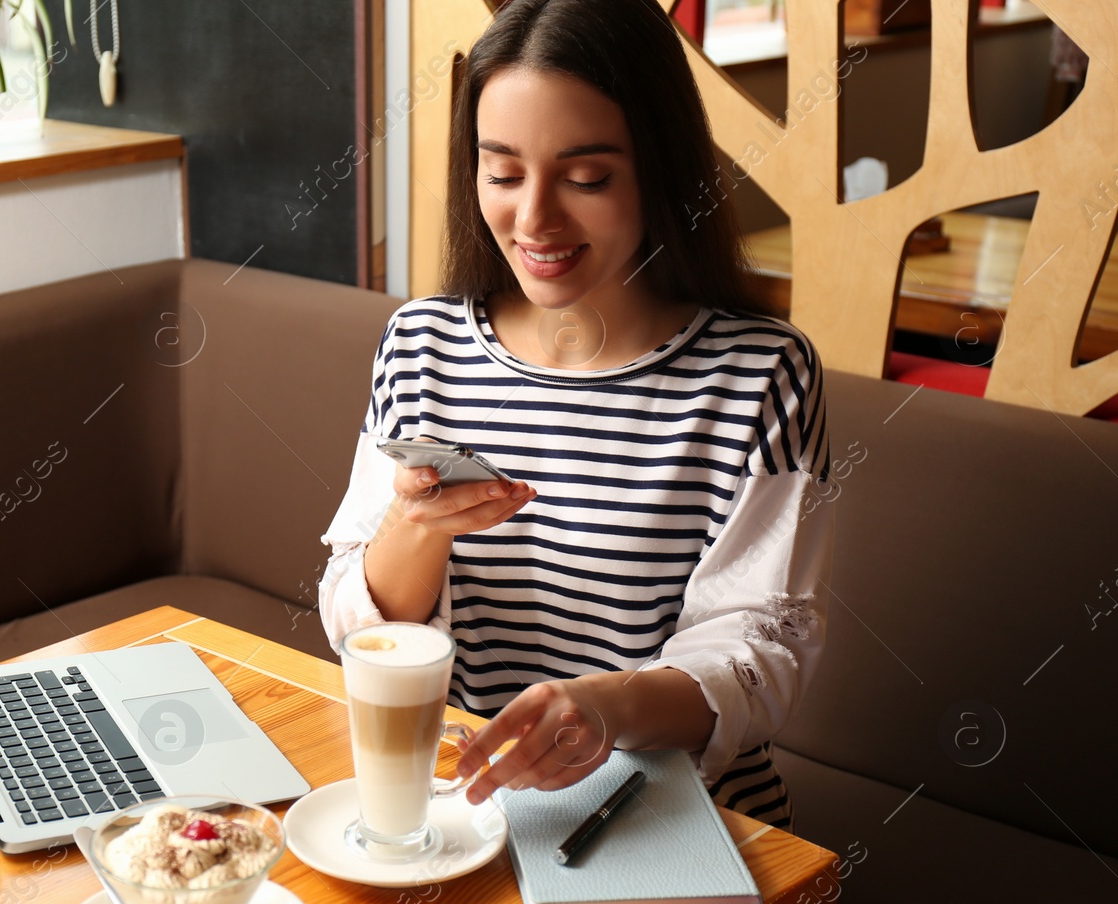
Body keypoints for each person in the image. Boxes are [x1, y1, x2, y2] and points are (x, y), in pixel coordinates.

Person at [318, 0, 833, 830]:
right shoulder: (420, 344)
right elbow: (355, 621)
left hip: (680, 823)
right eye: (502, 171)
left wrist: (606, 710)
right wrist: (416, 529)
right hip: (468, 817)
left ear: (659, 168)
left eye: (586, 178)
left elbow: (762, 649)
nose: (534, 220)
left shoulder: (760, 374)